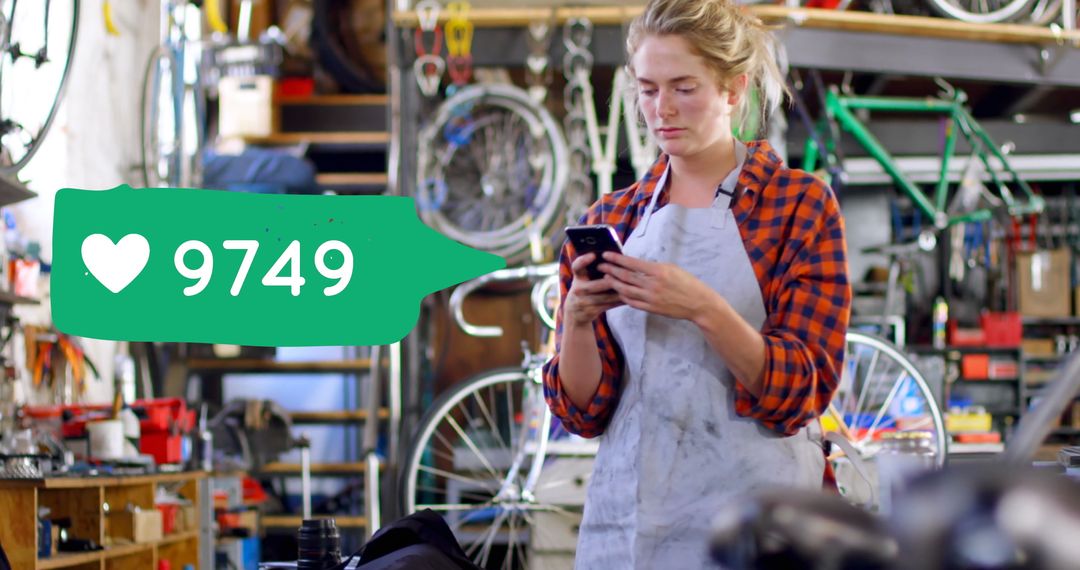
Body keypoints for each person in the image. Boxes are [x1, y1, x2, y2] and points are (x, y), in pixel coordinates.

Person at [540, 0, 852, 567]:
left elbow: (801, 394)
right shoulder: (613, 218)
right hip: (629, 531)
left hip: (759, 529)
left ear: (733, 89)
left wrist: (705, 308)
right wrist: (578, 321)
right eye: (647, 89)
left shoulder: (798, 206)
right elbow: (584, 414)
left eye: (684, 88)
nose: (661, 109)